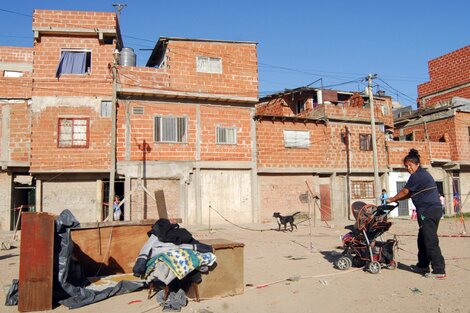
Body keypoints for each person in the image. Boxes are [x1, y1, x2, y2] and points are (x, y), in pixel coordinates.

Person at [386, 149, 446, 279]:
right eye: (406, 166)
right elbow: (407, 195)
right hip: (430, 210)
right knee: (422, 239)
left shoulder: (417, 175)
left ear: (417, 164)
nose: (408, 168)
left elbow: (404, 191)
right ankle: (422, 265)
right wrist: (394, 199)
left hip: (428, 211)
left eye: (410, 165)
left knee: (430, 240)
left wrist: (391, 199)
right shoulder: (420, 175)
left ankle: (439, 270)